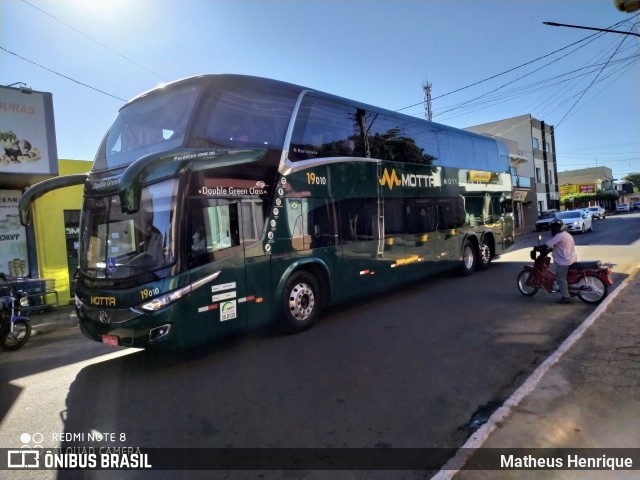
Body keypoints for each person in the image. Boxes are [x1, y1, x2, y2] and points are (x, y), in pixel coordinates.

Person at [541, 218, 577, 304]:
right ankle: (568, 291)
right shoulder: (566, 234)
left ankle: (566, 297)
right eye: (553, 226)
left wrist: (537, 247)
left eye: (556, 226)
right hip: (571, 259)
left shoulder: (559, 236)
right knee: (564, 277)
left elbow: (547, 244)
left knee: (560, 278)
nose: (554, 228)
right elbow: (559, 246)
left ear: (560, 226)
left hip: (565, 261)